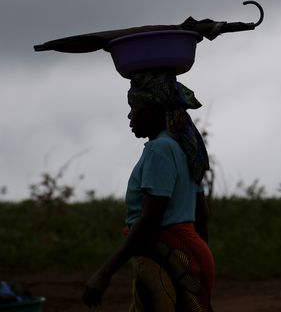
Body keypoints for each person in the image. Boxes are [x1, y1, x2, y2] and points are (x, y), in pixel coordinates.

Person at [83, 70, 215, 311]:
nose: (130, 115)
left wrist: (105, 272)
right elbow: (202, 215)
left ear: (157, 110)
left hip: (166, 254)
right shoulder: (186, 148)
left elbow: (151, 219)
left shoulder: (160, 150)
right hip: (189, 253)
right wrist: (200, 267)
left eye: (137, 108)